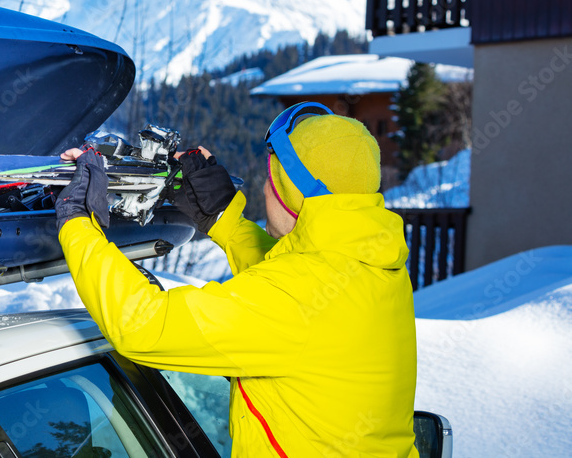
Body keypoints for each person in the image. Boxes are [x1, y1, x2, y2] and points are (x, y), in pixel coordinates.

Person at [56, 102, 419, 457]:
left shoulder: (297, 296)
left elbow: (142, 325)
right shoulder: (376, 267)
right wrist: (224, 218)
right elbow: (289, 289)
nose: (264, 191)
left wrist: (77, 220)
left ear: (291, 191)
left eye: (271, 178)